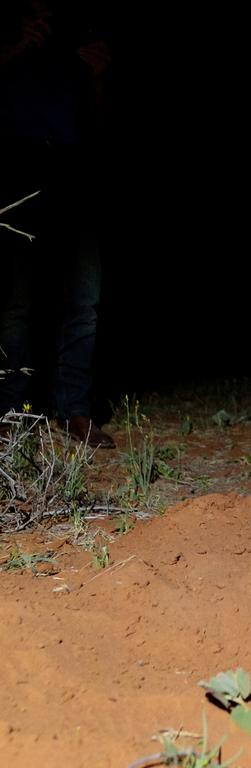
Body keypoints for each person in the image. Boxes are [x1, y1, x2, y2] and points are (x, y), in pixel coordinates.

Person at [0, 0, 115, 448]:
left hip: (75, 165)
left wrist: (99, 75)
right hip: (14, 162)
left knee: (85, 296)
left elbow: (100, 123)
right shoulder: (14, 31)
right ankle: (8, 411)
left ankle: (75, 410)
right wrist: (12, 47)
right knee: (15, 298)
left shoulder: (82, 33)